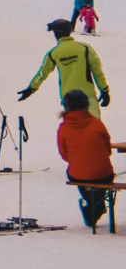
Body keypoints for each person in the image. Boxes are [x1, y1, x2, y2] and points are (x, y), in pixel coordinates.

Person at [20, 19, 108, 119]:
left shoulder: (54, 53)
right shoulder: (85, 48)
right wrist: (104, 90)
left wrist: (31, 89)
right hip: (88, 97)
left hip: (69, 100)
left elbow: (42, 74)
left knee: (74, 129)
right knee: (93, 129)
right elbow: (98, 72)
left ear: (56, 34)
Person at [57, 89, 115, 229]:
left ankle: (94, 204)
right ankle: (97, 204)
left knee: (77, 176)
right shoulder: (96, 124)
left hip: (78, 175)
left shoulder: (64, 128)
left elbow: (64, 155)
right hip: (103, 174)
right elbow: (108, 150)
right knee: (101, 182)